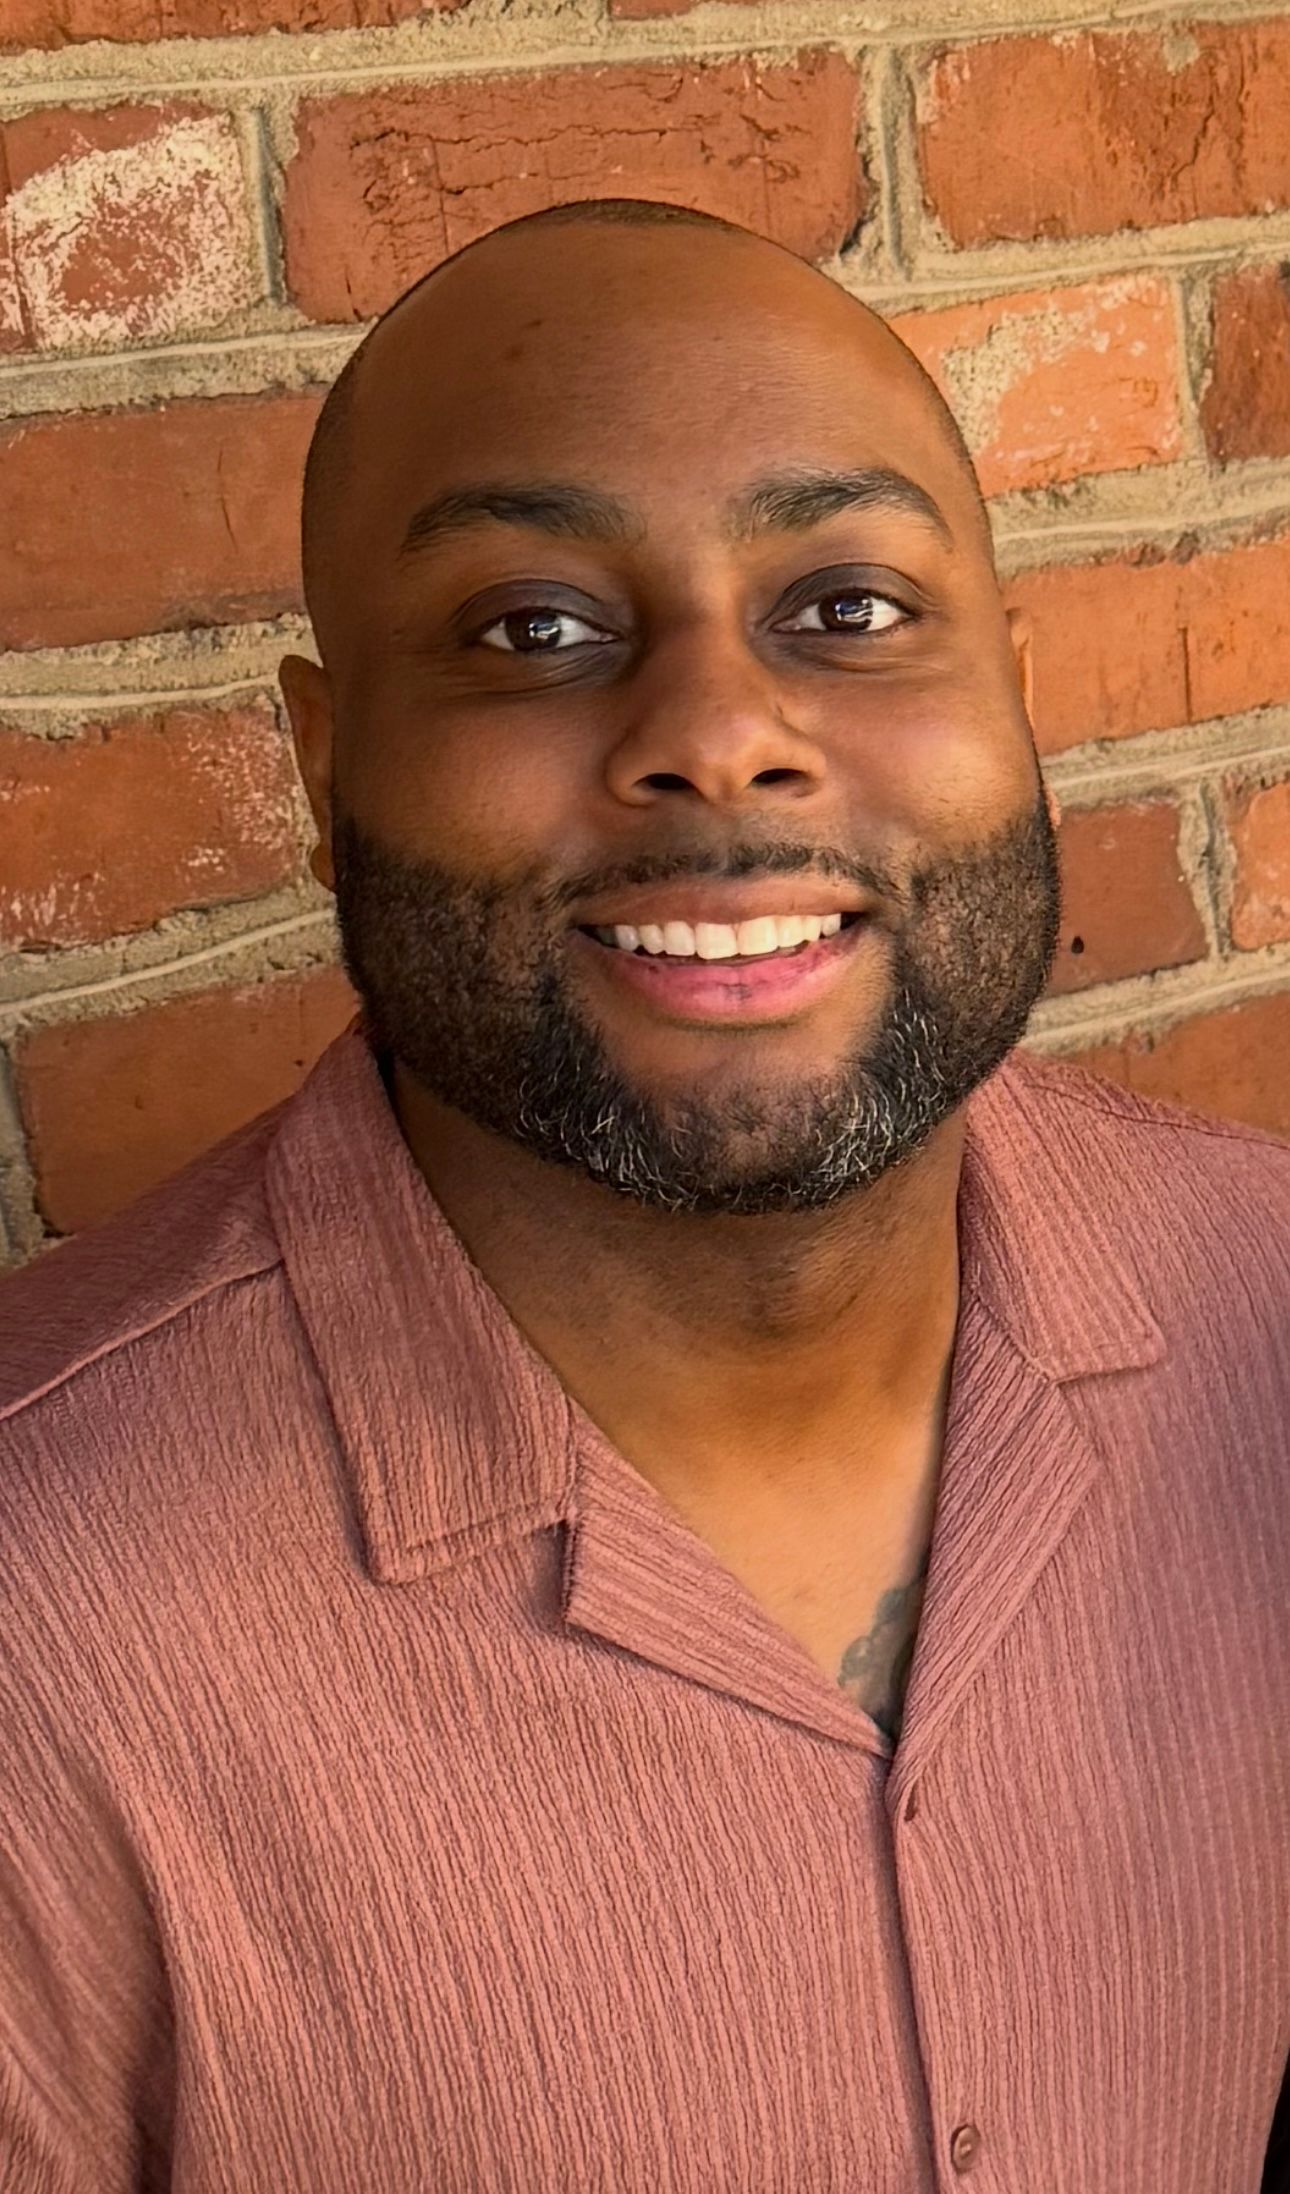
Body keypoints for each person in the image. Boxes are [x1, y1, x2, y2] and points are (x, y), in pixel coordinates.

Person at [0, 198, 1286, 2194]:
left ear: (1017, 691)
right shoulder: (43, 1626)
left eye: (846, 607)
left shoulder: (1264, 1317)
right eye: (533, 629)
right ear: (331, 761)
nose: (717, 735)